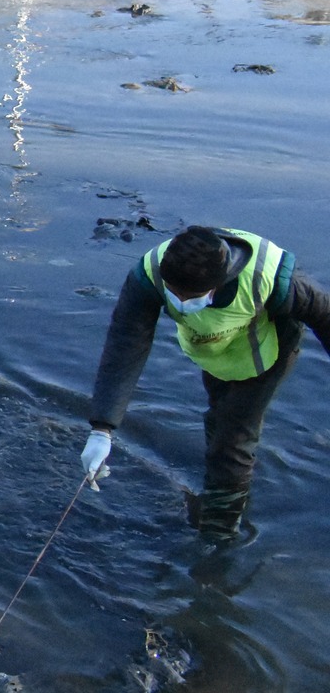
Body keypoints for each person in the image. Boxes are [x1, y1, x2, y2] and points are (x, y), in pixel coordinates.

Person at [84, 225, 330, 539]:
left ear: (218, 284)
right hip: (214, 349)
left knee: (233, 439)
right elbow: (125, 343)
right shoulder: (150, 274)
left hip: (268, 349)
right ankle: (224, 490)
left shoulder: (275, 279)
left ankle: (218, 539)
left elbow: (325, 315)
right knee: (219, 417)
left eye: (193, 297)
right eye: (176, 295)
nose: (182, 303)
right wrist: (102, 428)